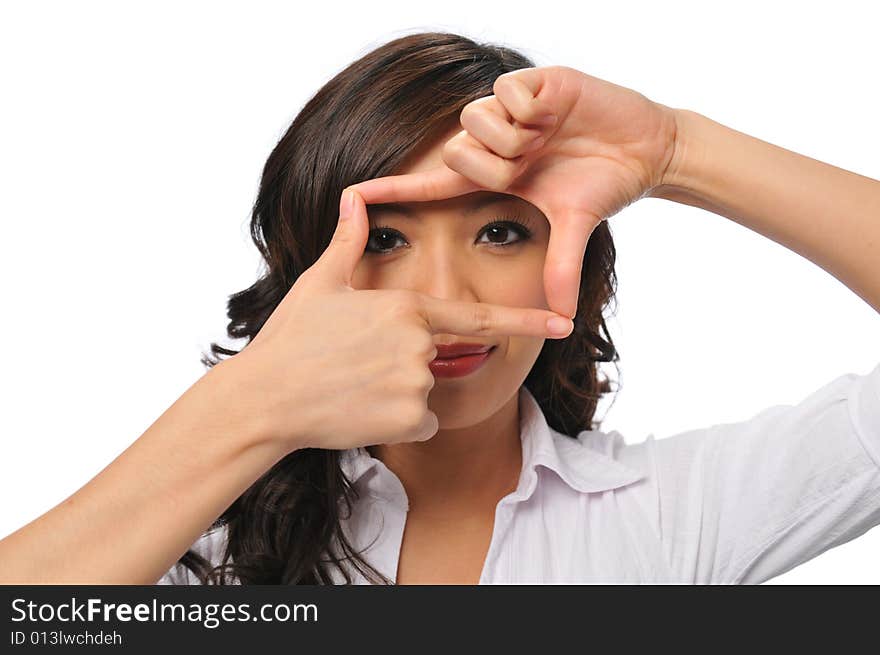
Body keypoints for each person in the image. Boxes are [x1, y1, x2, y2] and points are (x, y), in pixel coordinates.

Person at [1, 31, 878, 585]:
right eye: (385, 238)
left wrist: (679, 149)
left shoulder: (670, 513)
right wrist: (252, 405)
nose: (446, 300)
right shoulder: (200, 552)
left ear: (571, 264)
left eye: (500, 232)